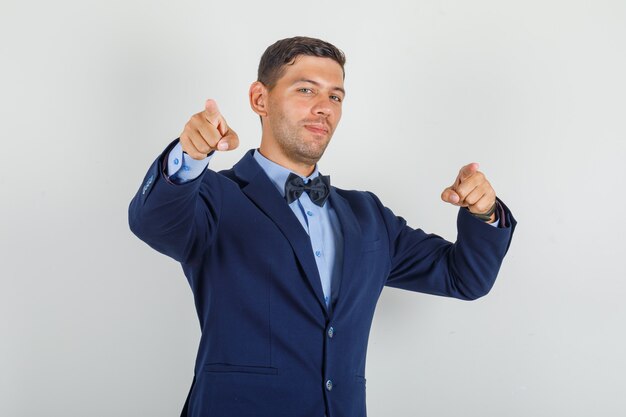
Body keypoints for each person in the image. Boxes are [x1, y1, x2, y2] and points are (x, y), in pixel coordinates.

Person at [128, 36, 516, 417]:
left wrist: (484, 214)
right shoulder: (215, 195)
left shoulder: (367, 215)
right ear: (259, 99)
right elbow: (153, 222)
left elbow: (465, 278)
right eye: (305, 90)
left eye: (335, 96)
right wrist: (190, 156)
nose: (323, 108)